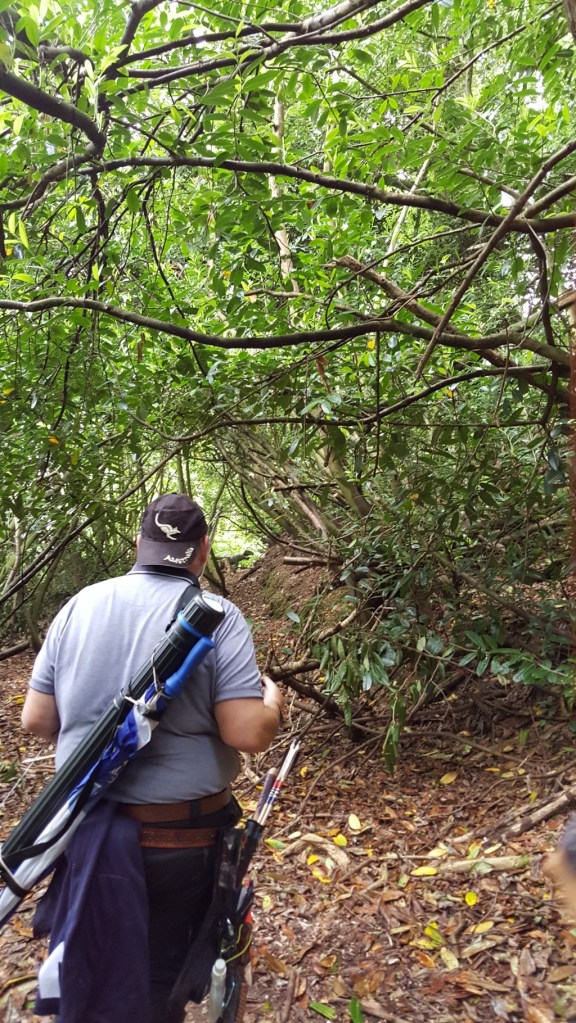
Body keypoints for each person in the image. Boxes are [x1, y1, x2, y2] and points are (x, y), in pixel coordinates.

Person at [21, 492, 285, 1023]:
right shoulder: (217, 616)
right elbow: (246, 732)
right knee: (158, 989)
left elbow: (37, 720)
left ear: (139, 544)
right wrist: (273, 705)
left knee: (96, 974)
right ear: (203, 550)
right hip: (179, 844)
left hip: (86, 833)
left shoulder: (80, 605)